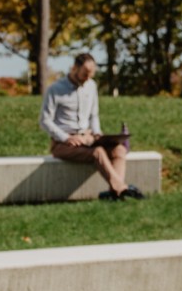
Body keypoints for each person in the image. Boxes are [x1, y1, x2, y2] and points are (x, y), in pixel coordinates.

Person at [40, 53, 142, 201]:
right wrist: (66, 137)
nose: (87, 78)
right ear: (74, 68)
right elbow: (45, 120)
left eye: (91, 75)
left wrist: (98, 133)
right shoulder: (55, 89)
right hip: (63, 144)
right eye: (84, 74)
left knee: (119, 149)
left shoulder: (91, 86)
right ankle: (121, 188)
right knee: (98, 152)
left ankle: (114, 192)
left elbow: (93, 115)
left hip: (88, 139)